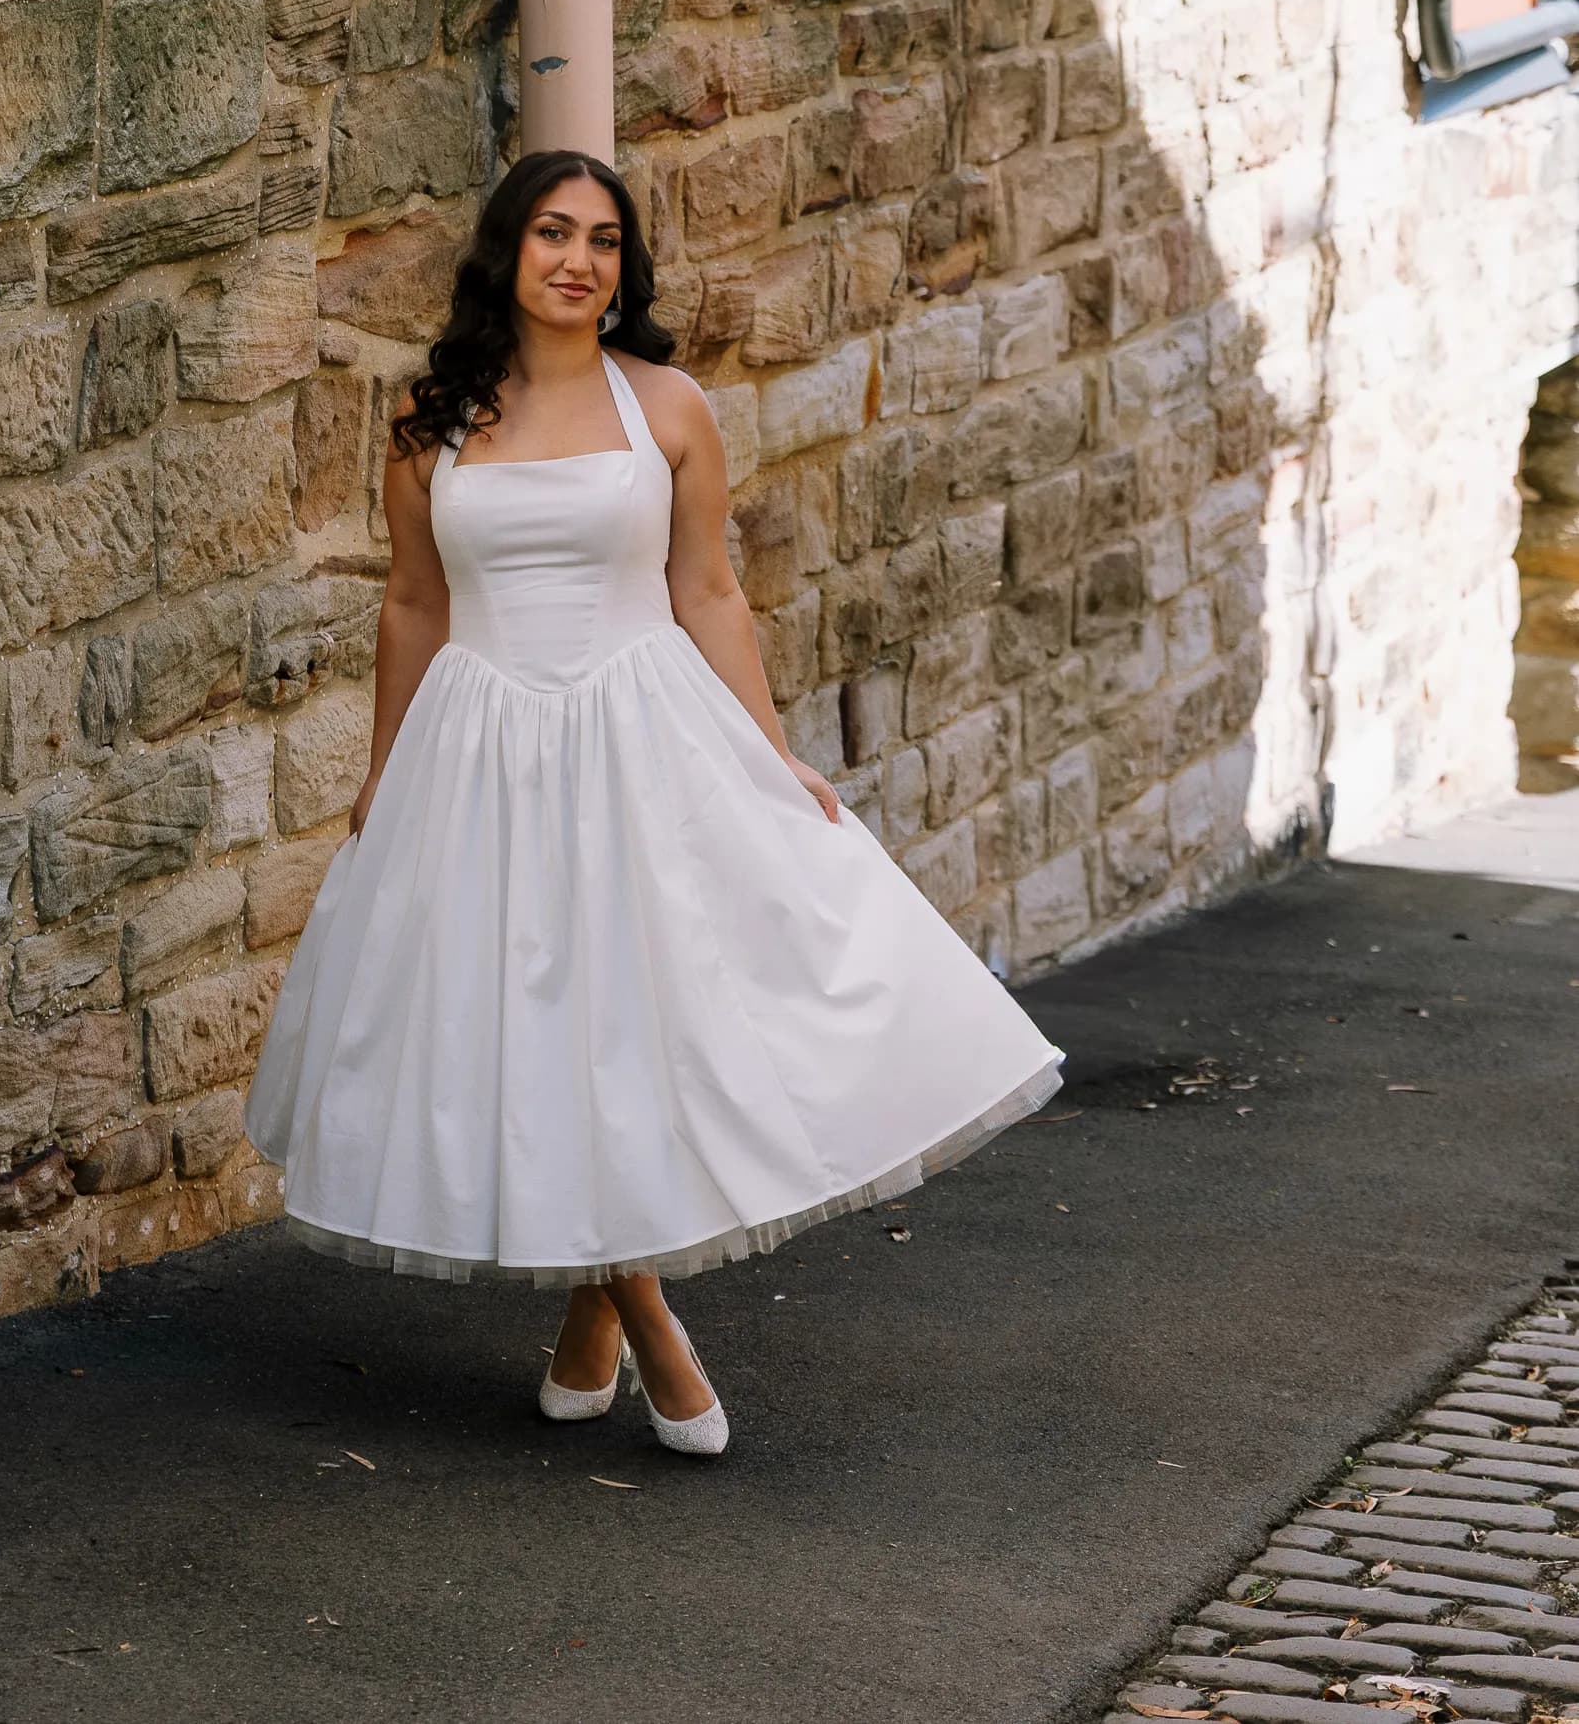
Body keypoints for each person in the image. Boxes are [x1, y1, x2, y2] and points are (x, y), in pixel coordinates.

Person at [245, 149, 1061, 1456]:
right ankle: (642, 1316)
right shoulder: (428, 421)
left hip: (639, 735)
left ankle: (600, 1315)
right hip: (482, 749)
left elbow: (708, 591)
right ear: (505, 253)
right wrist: (383, 772)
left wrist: (771, 751)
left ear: (625, 270)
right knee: (525, 1025)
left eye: (606, 242)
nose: (580, 260)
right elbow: (411, 603)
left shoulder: (668, 406)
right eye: (555, 234)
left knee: (625, 1022)